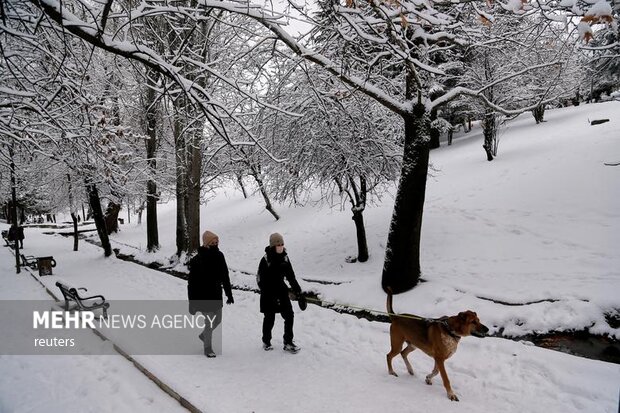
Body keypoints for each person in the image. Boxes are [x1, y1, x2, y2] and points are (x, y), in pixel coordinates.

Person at [187, 230, 234, 358]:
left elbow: (225, 276)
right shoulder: (197, 260)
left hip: (216, 294)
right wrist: (191, 302)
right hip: (203, 296)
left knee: (217, 320)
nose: (215, 244)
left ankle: (204, 336)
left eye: (217, 242)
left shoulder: (220, 256)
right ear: (206, 244)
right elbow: (191, 283)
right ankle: (208, 348)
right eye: (212, 243)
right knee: (209, 322)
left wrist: (229, 294)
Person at [257, 233, 303, 353]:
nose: (280, 246)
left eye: (282, 244)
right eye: (278, 244)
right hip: (268, 293)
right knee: (269, 318)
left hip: (281, 291)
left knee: (289, 316)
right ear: (272, 246)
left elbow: (291, 277)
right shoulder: (266, 260)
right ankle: (266, 341)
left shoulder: (285, 258)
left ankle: (288, 342)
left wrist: (299, 292)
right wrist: (269, 291)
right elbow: (260, 280)